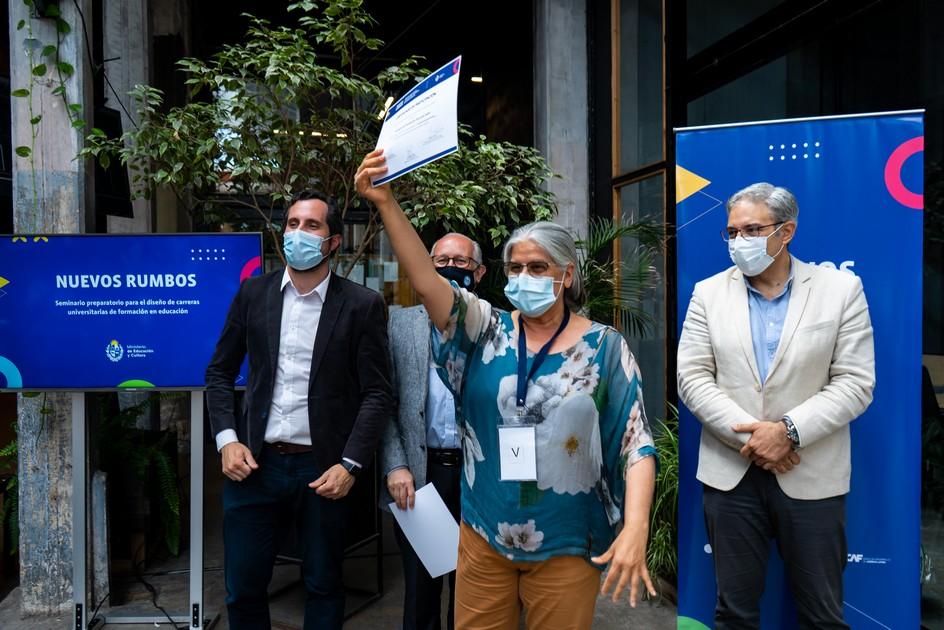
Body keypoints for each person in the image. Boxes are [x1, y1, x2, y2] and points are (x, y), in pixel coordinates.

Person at [356, 149, 657, 630]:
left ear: (566, 275)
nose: (524, 278)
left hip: (567, 543)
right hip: (482, 538)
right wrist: (386, 203)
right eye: (515, 268)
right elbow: (428, 282)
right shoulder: (483, 329)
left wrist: (637, 526)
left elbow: (635, 442)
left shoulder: (605, 347)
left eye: (538, 268)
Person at [677, 182, 875, 629]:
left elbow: (856, 382)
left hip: (810, 474)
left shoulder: (840, 290)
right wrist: (754, 437)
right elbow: (692, 378)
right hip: (731, 477)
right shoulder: (708, 293)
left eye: (751, 229)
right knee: (734, 614)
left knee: (822, 617)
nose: (738, 242)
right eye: (731, 232)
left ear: (786, 232)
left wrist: (785, 431)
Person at [205, 190, 393, 630]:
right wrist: (227, 441)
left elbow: (377, 393)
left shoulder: (362, 305)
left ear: (333, 243)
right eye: (292, 224)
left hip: (323, 469)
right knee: (244, 587)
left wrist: (350, 464)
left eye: (312, 226)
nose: (299, 233)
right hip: (254, 465)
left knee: (325, 585)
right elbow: (219, 373)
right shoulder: (254, 294)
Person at [381, 232, 487, 630]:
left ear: (480, 272)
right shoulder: (398, 324)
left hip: (479, 477)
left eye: (461, 262)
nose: (450, 268)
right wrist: (395, 466)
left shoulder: (495, 327)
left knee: (474, 590)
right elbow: (383, 403)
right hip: (420, 478)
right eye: (440, 260)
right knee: (421, 592)